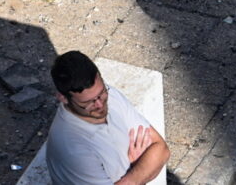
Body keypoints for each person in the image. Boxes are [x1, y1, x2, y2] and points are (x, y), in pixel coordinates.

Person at [45, 51, 170, 185]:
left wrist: (132, 175)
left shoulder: (109, 95)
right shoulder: (73, 150)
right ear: (63, 98)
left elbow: (161, 149)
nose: (100, 105)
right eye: (87, 103)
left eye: (102, 93)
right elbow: (154, 155)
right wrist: (136, 170)